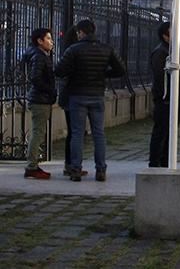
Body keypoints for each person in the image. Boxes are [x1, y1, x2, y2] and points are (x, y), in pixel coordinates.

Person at [55, 19, 125, 182]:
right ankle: (101, 170)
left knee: (77, 134)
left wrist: (74, 72)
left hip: (77, 95)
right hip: (97, 95)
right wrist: (103, 74)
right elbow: (120, 70)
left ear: (80, 32)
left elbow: (58, 70)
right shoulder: (106, 49)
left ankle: (76, 169)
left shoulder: (73, 49)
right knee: (99, 134)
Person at [22, 28, 57, 180]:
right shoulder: (39, 56)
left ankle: (33, 165)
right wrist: (50, 90)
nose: (52, 42)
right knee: (38, 133)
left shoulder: (41, 55)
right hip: (39, 100)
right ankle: (31, 166)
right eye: (48, 38)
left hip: (40, 98)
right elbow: (35, 78)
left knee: (39, 132)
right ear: (40, 41)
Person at [57, 26, 86, 177]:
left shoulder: (69, 52)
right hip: (72, 96)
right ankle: (72, 164)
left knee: (74, 132)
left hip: (68, 96)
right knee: (75, 132)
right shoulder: (74, 53)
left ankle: (71, 164)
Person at [148, 22, 170, 168]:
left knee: (168, 133)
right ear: (165, 36)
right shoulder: (161, 52)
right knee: (161, 132)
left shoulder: (170, 51)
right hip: (165, 100)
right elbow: (159, 76)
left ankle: (165, 161)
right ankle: (155, 163)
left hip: (171, 99)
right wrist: (165, 96)